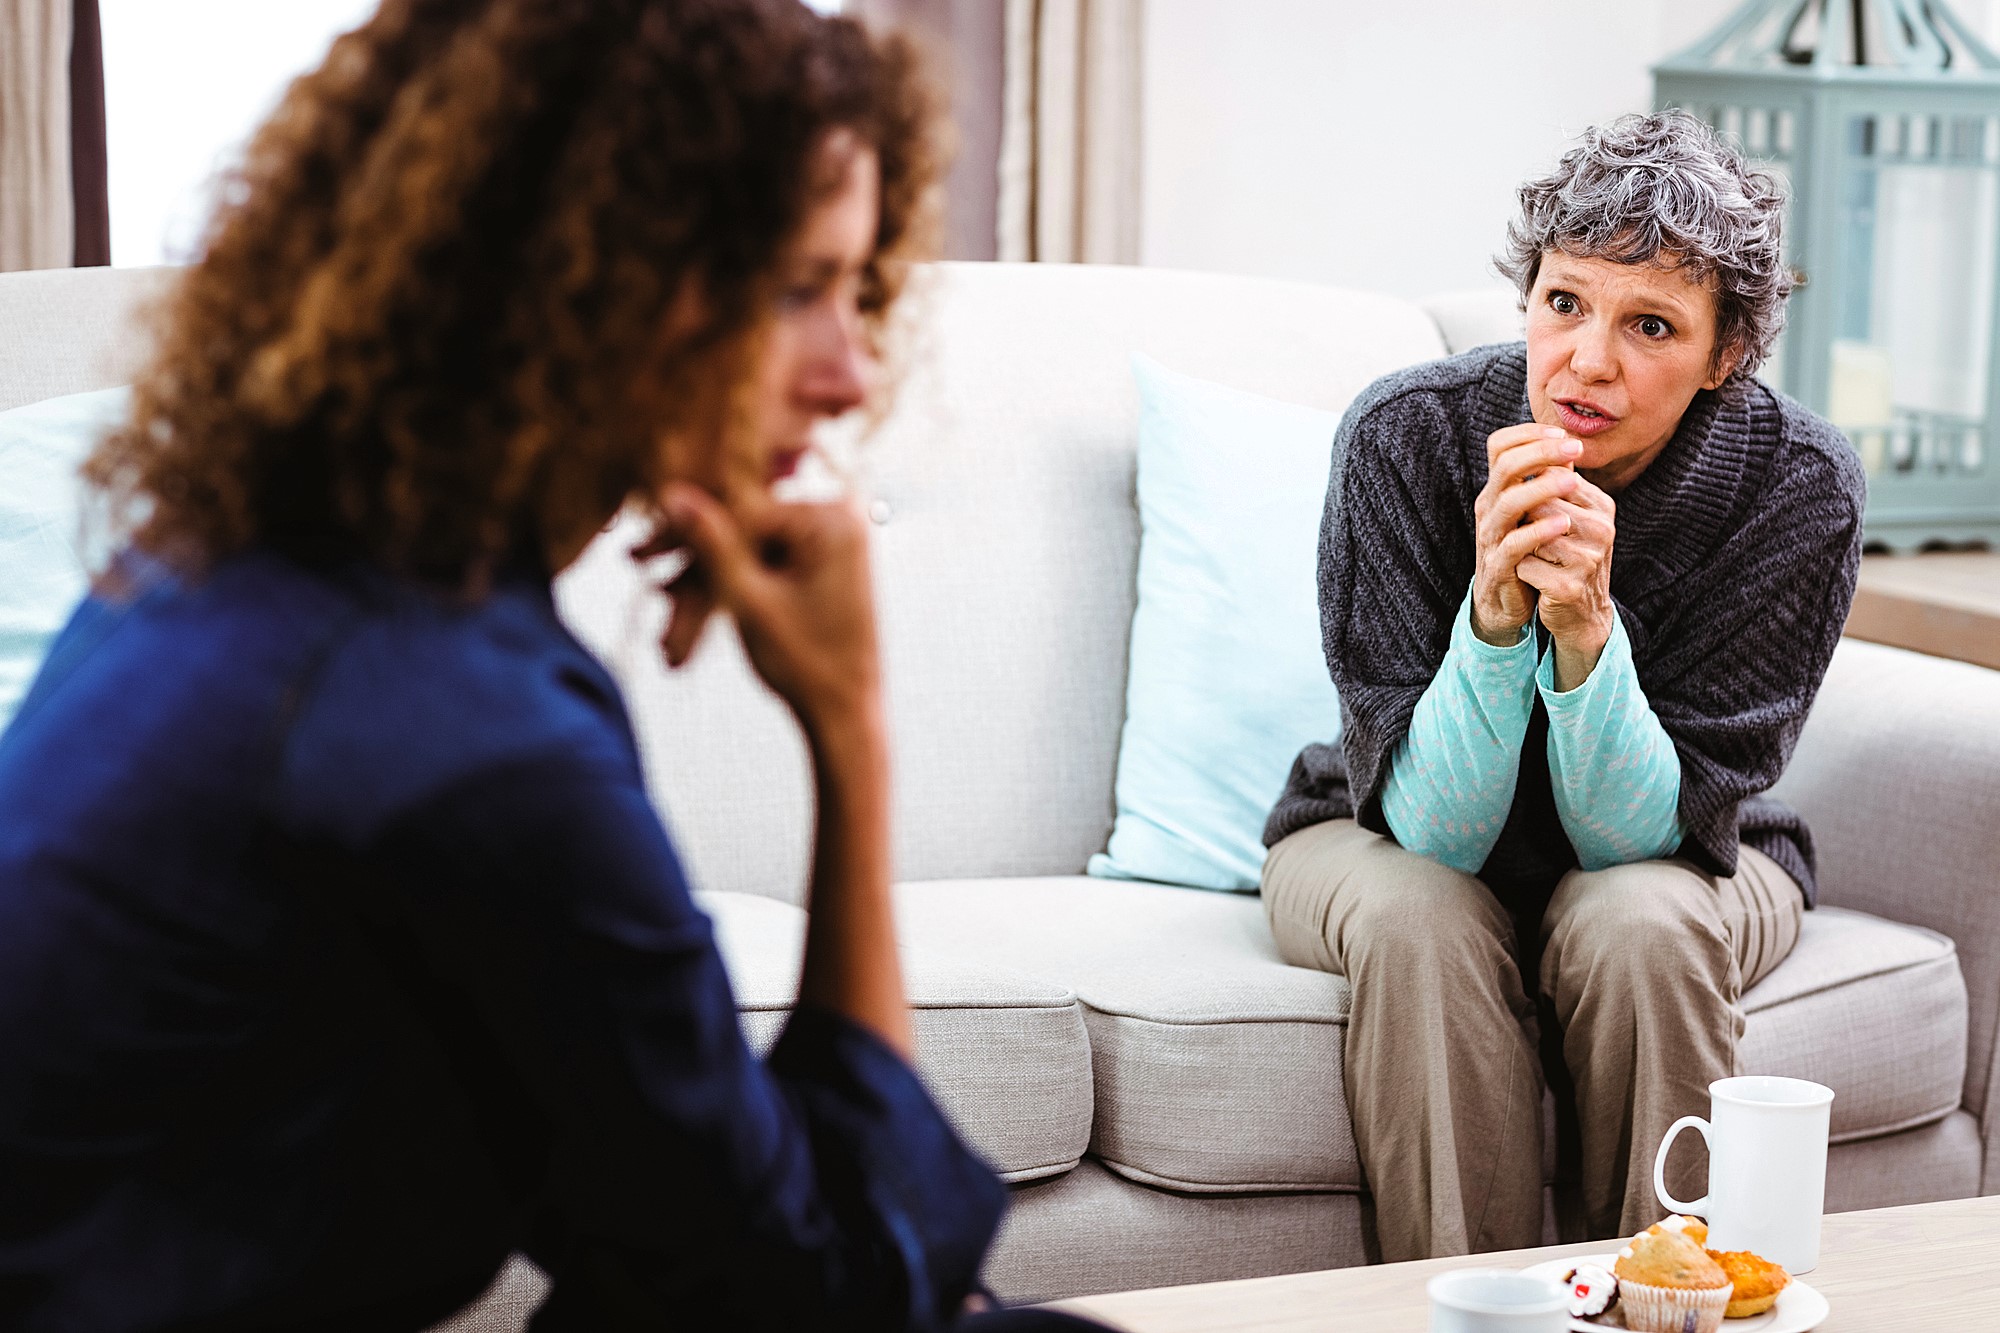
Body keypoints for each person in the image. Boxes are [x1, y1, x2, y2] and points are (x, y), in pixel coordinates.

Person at [0, 2, 1106, 1329]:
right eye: (793, 289)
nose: (850, 373)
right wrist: (852, 727)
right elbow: (816, 1297)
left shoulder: (228, 568)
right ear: (591, 275)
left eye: (853, 290)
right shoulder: (462, 731)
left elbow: (702, 1228)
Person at [1261, 110, 1865, 1261]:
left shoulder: (1795, 489)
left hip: (1685, 844)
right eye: (1562, 303)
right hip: (1374, 824)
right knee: (1414, 918)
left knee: (1635, 922)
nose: (1586, 362)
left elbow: (1636, 838)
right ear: (1527, 295)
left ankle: (1668, 1295)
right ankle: (1469, 1304)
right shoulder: (1407, 437)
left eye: (1649, 325)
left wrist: (1584, 635)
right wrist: (1492, 623)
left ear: (1725, 353)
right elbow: (1430, 831)